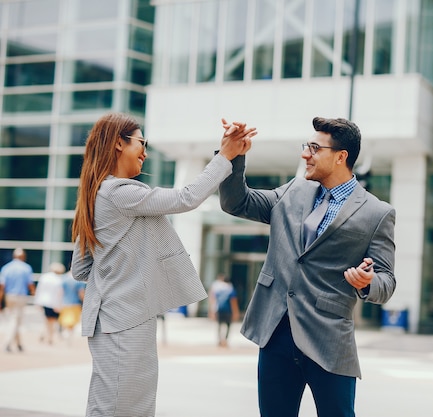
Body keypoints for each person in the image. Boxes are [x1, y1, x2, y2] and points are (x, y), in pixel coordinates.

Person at [70, 112, 256, 417]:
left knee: (113, 404)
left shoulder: (97, 193)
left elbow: (81, 268)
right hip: (125, 320)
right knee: (123, 408)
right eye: (141, 142)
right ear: (119, 143)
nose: (145, 151)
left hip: (116, 320)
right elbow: (187, 198)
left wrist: (120, 272)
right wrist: (225, 155)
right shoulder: (118, 191)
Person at [219, 117, 396, 417]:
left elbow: (386, 281)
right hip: (276, 332)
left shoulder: (377, 213)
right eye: (307, 146)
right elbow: (237, 202)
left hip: (328, 340)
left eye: (315, 148)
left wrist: (367, 282)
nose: (305, 154)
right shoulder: (293, 192)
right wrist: (233, 157)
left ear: (341, 157)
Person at [0, 248, 35, 353]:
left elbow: (2, 286)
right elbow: (30, 284)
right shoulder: (26, 268)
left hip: (9, 296)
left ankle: (19, 344)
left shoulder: (7, 268)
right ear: (23, 257)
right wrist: (34, 293)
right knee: (14, 320)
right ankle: (7, 343)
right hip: (20, 296)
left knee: (15, 319)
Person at [33, 262, 65, 345]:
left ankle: (44, 334)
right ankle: (50, 337)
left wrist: (37, 302)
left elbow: (39, 290)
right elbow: (59, 294)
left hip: (44, 301)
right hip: (53, 302)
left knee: (47, 320)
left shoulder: (45, 277)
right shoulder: (59, 280)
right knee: (52, 321)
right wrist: (59, 305)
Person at [209, 273, 240, 347]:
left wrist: (212, 311)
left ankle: (219, 340)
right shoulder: (231, 289)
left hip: (219, 309)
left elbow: (214, 300)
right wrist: (236, 312)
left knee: (219, 325)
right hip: (228, 310)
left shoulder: (218, 289)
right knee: (228, 326)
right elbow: (233, 302)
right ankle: (225, 340)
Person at [58, 268, 86, 343]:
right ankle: (69, 334)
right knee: (73, 320)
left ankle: (66, 332)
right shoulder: (79, 280)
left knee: (66, 319)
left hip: (65, 302)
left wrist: (59, 302)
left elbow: (60, 292)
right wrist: (85, 302)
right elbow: (81, 293)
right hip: (75, 303)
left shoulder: (64, 278)